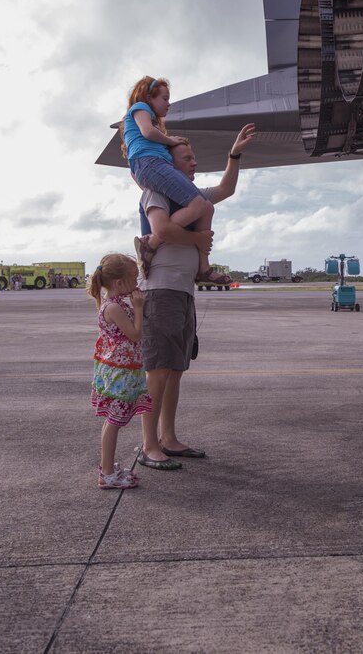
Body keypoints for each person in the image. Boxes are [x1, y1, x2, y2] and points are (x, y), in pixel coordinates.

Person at [137, 124, 256, 470]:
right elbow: (161, 230)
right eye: (187, 158)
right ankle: (148, 446)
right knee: (158, 371)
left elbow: (227, 188)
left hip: (182, 291)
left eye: (194, 157)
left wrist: (234, 154)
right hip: (160, 291)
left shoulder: (193, 195)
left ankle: (169, 438)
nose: (194, 162)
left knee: (175, 369)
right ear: (167, 164)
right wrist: (199, 243)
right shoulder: (155, 191)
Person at [119, 75, 231, 286]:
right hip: (152, 163)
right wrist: (169, 140)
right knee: (197, 203)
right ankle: (150, 244)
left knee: (206, 207)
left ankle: (203, 268)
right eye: (165, 98)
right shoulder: (140, 108)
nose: (168, 104)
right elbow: (147, 131)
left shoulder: (149, 122)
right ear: (149, 97)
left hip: (154, 165)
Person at [87, 254, 152, 489]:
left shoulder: (113, 304)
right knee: (114, 422)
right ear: (119, 283)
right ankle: (106, 474)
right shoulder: (114, 307)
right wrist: (138, 307)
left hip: (120, 369)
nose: (137, 284)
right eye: (134, 279)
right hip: (119, 373)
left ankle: (107, 466)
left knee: (112, 421)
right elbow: (135, 334)